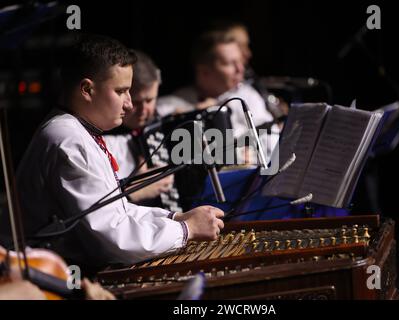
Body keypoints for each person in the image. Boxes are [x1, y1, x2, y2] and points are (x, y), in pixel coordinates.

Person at [11, 34, 224, 273]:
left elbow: (117, 210)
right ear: (87, 89)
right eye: (121, 91)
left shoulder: (78, 131)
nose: (129, 104)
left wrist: (175, 218)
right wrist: (187, 230)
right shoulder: (68, 140)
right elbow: (114, 239)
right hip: (58, 280)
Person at [157, 31, 280, 161]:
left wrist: (251, 155)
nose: (240, 69)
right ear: (204, 72)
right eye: (230, 63)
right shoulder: (172, 105)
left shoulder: (247, 95)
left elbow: (273, 143)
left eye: (240, 61)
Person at [104, 50, 182, 212]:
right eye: (137, 102)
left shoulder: (169, 116)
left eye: (150, 100)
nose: (144, 110)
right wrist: (132, 191)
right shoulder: (105, 142)